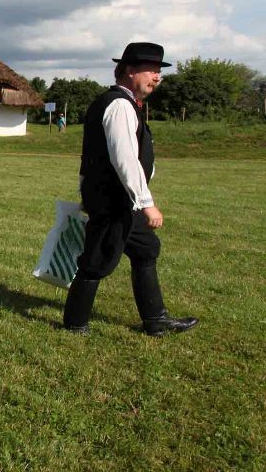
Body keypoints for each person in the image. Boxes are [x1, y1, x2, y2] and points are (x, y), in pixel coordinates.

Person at [63, 42, 198, 337]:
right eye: (151, 69)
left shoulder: (125, 105)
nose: (157, 76)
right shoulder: (119, 104)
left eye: (159, 70)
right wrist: (146, 202)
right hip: (114, 199)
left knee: (146, 249)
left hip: (119, 199)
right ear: (129, 71)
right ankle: (75, 323)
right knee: (98, 259)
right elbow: (123, 158)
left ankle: (156, 320)